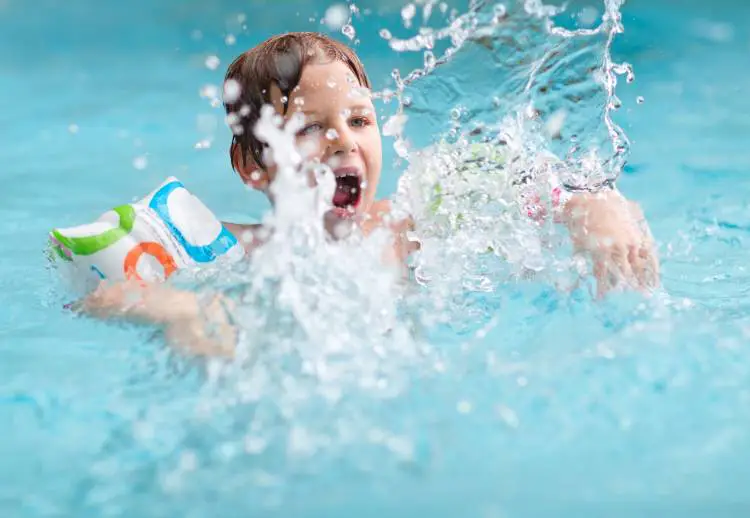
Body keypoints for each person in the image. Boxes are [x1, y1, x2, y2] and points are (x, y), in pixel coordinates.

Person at [78, 32, 659, 356]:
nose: (342, 143)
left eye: (360, 120)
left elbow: (530, 191)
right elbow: (100, 296)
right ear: (252, 165)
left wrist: (594, 207)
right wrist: (181, 308)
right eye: (309, 128)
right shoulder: (232, 248)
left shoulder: (405, 227)